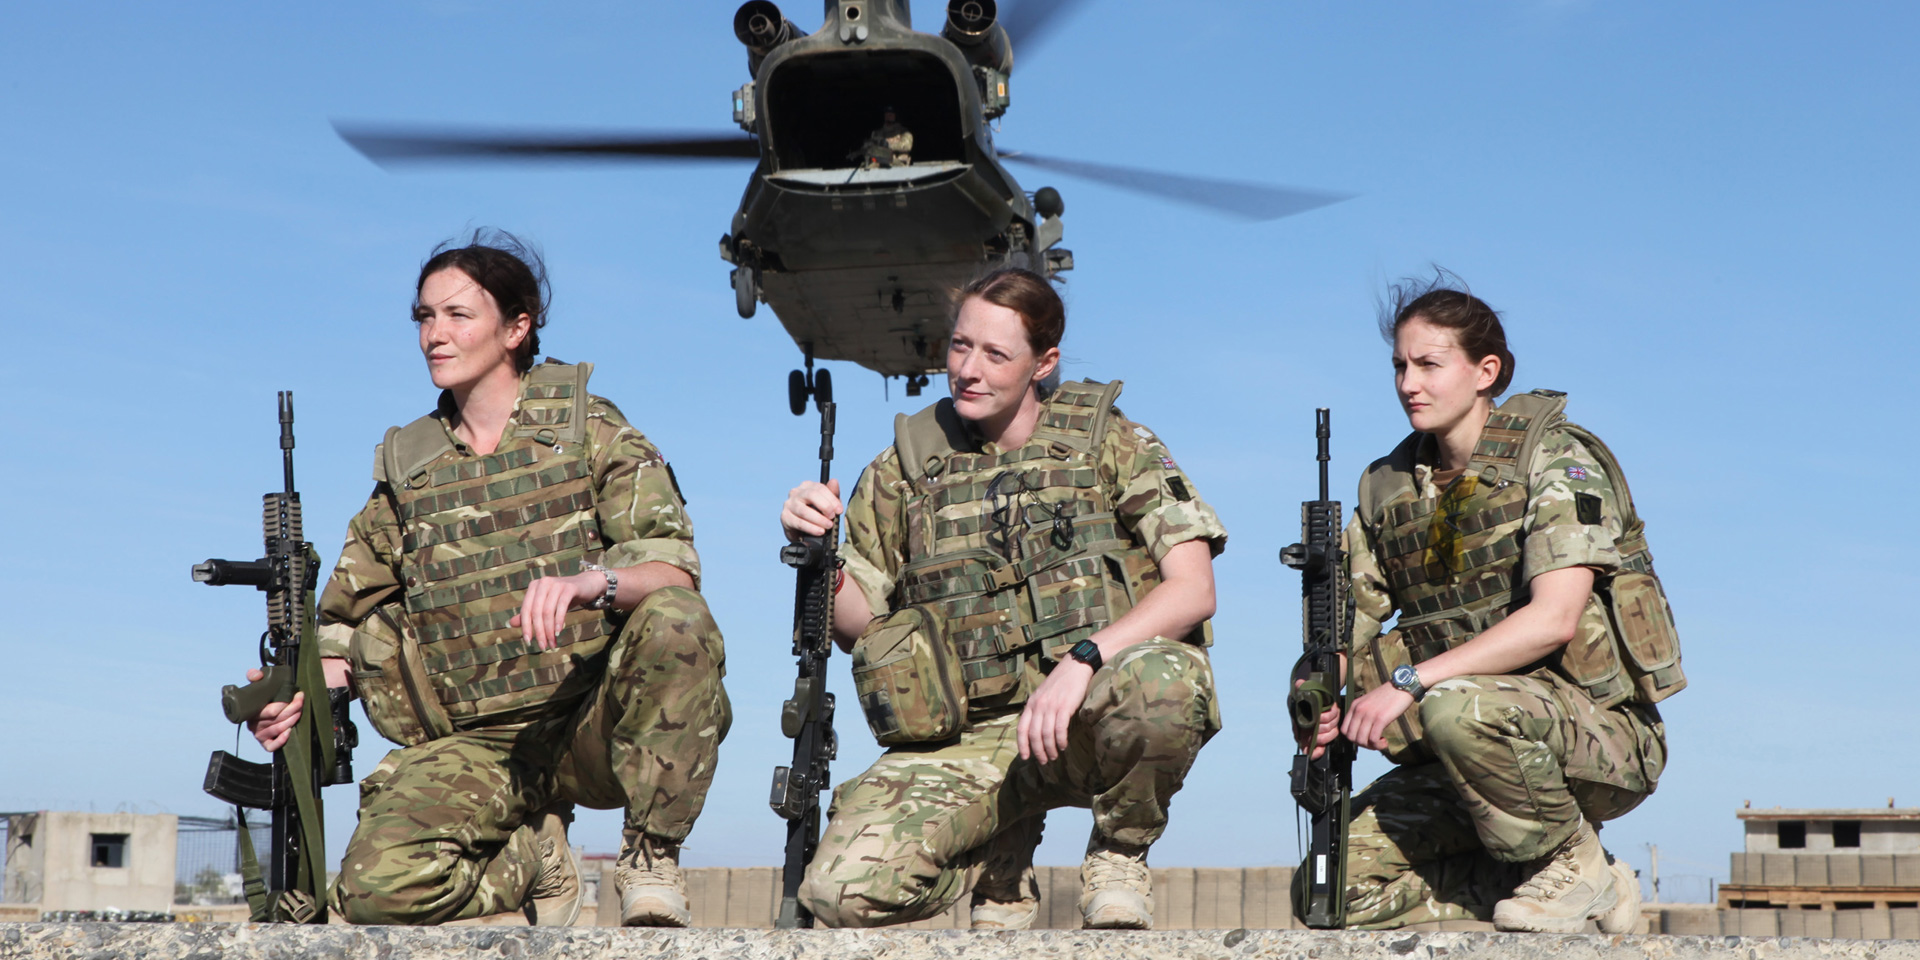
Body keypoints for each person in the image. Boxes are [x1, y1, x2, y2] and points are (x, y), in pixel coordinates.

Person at [243, 231, 731, 927]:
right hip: (472, 742)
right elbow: (346, 623)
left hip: (589, 722)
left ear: (517, 327)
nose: (434, 335)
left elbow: (673, 565)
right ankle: (536, 859)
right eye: (424, 316)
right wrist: (297, 699)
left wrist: (591, 581)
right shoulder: (408, 468)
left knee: (678, 620)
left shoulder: (589, 428)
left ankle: (650, 858)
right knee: (375, 892)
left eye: (458, 315)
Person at [779, 266, 1227, 930]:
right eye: (959, 346)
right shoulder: (904, 467)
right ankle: (997, 852)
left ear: (1043, 363)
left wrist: (1083, 659)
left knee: (1166, 682)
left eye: (995, 353)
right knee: (839, 893)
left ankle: (1119, 852)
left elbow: (1193, 588)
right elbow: (860, 628)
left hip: (1087, 716)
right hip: (966, 739)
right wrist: (821, 556)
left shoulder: (1110, 441)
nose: (968, 369)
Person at [1297, 275, 1681, 932]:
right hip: (1464, 753)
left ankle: (1568, 856)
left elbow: (1555, 618)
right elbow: (1344, 635)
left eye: (1428, 364)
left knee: (1453, 703)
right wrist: (1315, 701)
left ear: (1486, 371)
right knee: (1333, 889)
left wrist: (1409, 682)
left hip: (1600, 737)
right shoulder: (1388, 490)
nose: (1408, 383)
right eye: (1399, 365)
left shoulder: (1555, 458)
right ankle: (1586, 875)